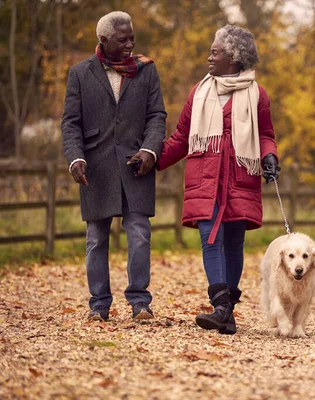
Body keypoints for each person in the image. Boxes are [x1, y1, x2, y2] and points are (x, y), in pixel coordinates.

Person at [157, 25, 279, 334]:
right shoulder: (199, 92)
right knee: (210, 238)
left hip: (240, 177)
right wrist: (153, 160)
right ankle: (221, 306)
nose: (209, 57)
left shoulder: (257, 94)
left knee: (234, 243)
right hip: (206, 179)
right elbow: (182, 137)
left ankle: (225, 312)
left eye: (216, 52)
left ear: (234, 57)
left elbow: (265, 135)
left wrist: (270, 156)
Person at [61, 11, 167, 322]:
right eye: (123, 39)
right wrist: (75, 158)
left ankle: (140, 303)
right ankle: (99, 305)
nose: (131, 43)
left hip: (137, 164)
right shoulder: (80, 73)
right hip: (95, 167)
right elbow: (70, 123)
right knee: (96, 238)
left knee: (139, 233)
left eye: (132, 36)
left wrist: (150, 149)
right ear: (104, 40)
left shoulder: (147, 71)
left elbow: (157, 116)